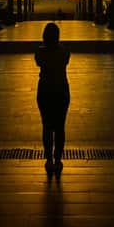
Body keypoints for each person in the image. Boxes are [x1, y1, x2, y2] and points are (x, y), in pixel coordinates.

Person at [35, 22, 70, 174]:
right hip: (61, 89)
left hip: (45, 90)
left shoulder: (40, 52)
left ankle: (48, 159)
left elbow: (39, 62)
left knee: (47, 126)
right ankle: (58, 159)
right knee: (60, 127)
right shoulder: (65, 52)